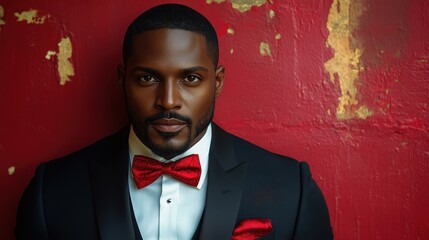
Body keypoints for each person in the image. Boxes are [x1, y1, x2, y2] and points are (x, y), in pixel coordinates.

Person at [16, 3, 333, 240]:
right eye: (147, 78)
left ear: (217, 82)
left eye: (191, 78)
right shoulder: (52, 192)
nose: (168, 100)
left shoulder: (293, 190)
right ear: (123, 80)